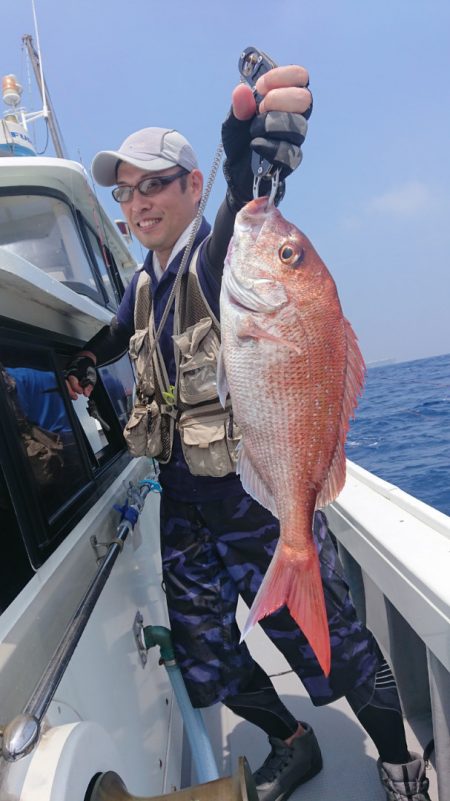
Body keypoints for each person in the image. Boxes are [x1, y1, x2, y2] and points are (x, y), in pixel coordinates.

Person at [66, 65, 432, 801]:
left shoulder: (219, 254)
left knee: (339, 645)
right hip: (182, 502)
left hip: (256, 495)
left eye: (156, 184)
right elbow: (115, 336)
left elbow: (249, 208)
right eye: (125, 191)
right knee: (207, 657)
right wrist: (84, 359)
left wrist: (246, 157)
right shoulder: (142, 284)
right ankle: (292, 740)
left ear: (193, 188)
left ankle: (402, 766)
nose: (138, 203)